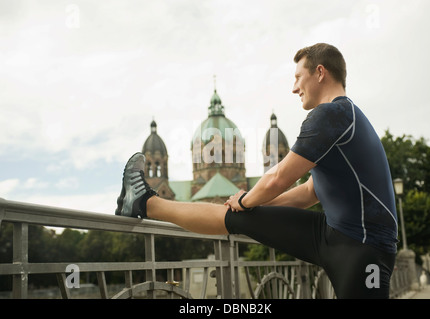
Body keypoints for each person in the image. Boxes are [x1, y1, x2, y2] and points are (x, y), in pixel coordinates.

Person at [115, 43, 398, 299]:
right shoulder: (344, 117)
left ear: (320, 72)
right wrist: (248, 209)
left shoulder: (331, 114)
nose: (294, 87)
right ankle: (144, 202)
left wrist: (246, 200)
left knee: (235, 211)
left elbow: (278, 178)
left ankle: (144, 202)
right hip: (334, 235)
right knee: (231, 217)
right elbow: (310, 192)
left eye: (298, 77)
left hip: (363, 247)